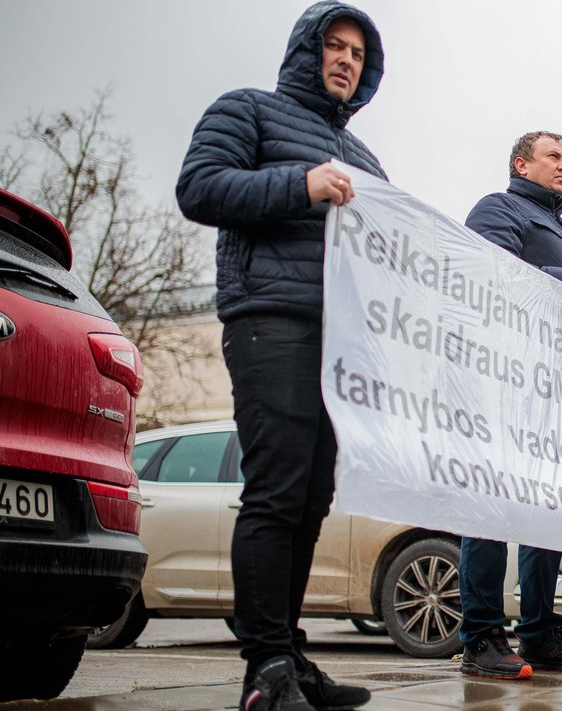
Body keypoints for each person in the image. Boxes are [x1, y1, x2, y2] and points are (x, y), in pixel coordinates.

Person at [175, 3, 383, 709]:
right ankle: (264, 668)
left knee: (311, 496)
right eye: (335, 44)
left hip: (340, 341)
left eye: (358, 52)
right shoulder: (248, 111)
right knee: (275, 489)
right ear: (307, 49)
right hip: (270, 320)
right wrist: (302, 184)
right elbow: (198, 188)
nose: (346, 59)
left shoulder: (367, 161)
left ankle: (288, 653)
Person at [459, 131, 562, 680]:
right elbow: (484, 267)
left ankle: (539, 633)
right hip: (504, 381)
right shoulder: (499, 209)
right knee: (491, 503)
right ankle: (481, 636)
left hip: (556, 393)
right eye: (554, 156)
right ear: (521, 163)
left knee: (546, 511)